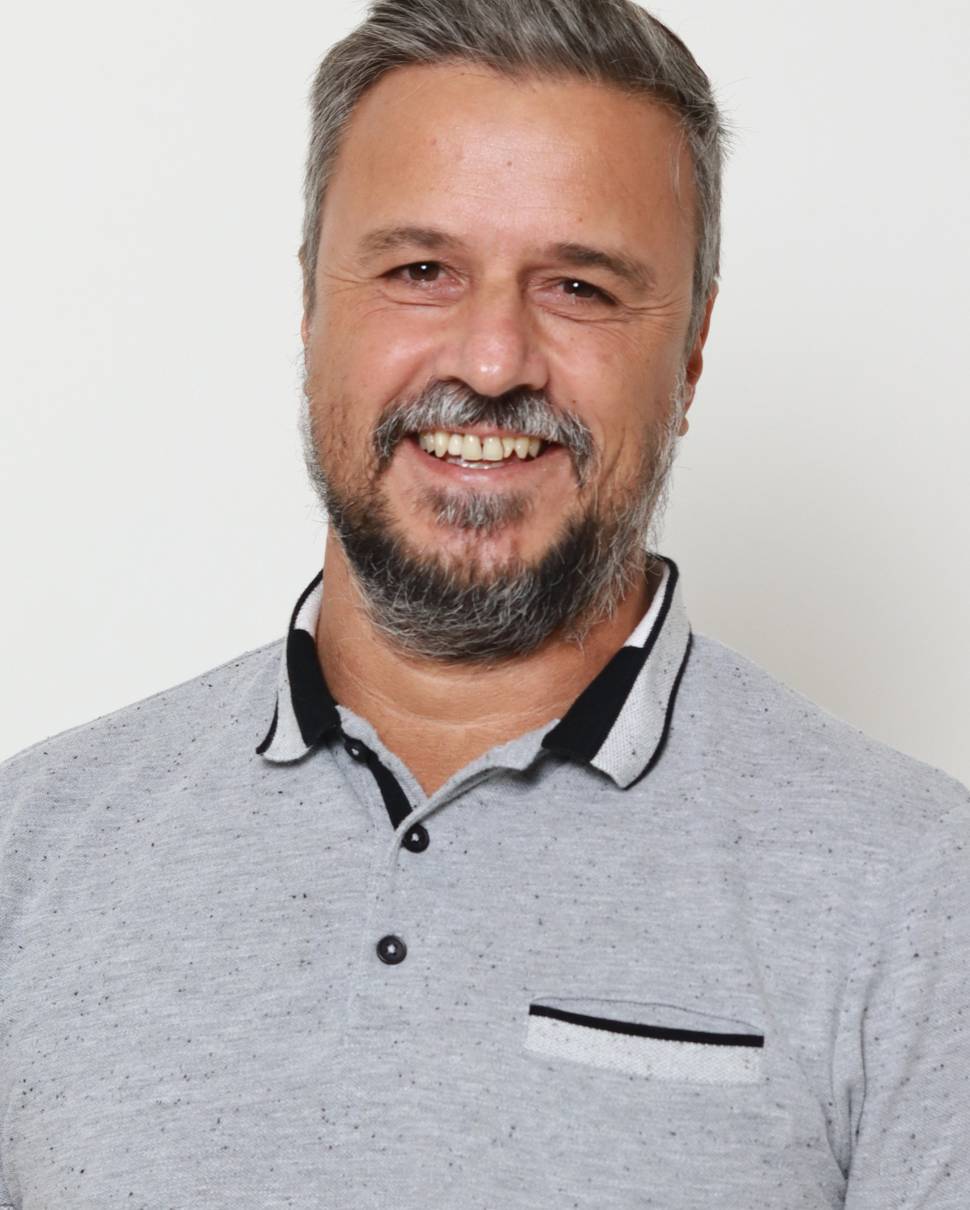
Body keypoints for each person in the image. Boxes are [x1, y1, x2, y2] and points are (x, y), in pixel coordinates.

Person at [1, 0, 967, 1205]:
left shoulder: (922, 893)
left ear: (691, 351)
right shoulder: (29, 849)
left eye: (580, 286)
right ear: (310, 306)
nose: (494, 359)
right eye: (420, 271)